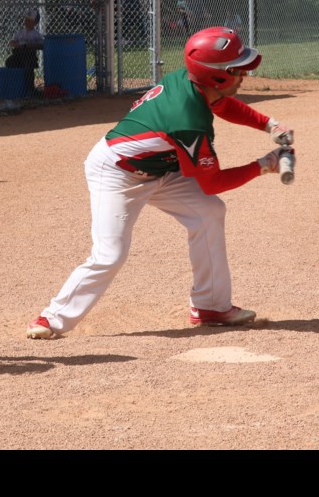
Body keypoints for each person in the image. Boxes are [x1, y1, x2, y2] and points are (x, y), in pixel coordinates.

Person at [26, 26, 293, 339]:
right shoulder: (188, 119)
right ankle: (51, 319)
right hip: (117, 173)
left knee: (209, 213)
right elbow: (213, 181)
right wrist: (264, 165)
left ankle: (210, 306)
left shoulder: (191, 81)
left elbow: (221, 105)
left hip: (162, 169)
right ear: (216, 77)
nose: (243, 75)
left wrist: (269, 125)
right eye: (236, 70)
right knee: (110, 253)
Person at [6, 7, 44, 95]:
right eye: (26, 19)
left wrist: (33, 45)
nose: (26, 22)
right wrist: (16, 44)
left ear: (35, 23)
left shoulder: (36, 34)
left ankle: (30, 89)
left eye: (30, 20)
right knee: (9, 62)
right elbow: (12, 42)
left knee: (29, 69)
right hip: (18, 54)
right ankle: (15, 85)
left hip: (29, 55)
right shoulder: (19, 32)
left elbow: (42, 45)